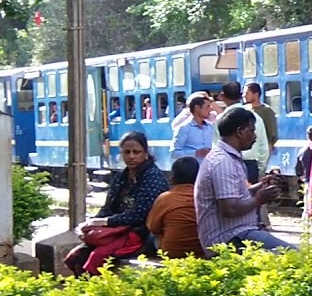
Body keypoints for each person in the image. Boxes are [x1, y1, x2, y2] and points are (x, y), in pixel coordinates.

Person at [65, 132, 169, 276]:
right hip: (117, 229)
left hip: (141, 232)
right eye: (127, 152)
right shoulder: (122, 177)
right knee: (76, 256)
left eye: (136, 152)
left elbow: (140, 214)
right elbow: (109, 207)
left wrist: (105, 222)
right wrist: (92, 224)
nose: (131, 156)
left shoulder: (153, 178)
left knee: (98, 257)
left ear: (145, 154)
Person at [194, 107, 293, 252]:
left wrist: (261, 186)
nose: (254, 136)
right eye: (251, 131)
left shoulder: (228, 157)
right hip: (229, 238)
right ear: (239, 131)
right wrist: (259, 199)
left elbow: (234, 194)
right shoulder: (223, 162)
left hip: (238, 233)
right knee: (291, 255)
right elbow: (230, 208)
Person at [146, 156, 205, 258]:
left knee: (150, 237)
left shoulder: (165, 198)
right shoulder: (205, 197)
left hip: (172, 252)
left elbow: (153, 227)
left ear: (172, 177)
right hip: (201, 251)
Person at [216, 81, 270, 183]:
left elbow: (216, 146)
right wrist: (260, 170)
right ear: (241, 95)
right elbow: (263, 147)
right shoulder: (256, 118)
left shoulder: (221, 119)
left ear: (222, 96)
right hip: (251, 166)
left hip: (227, 165)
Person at [171, 95, 215, 162]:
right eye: (208, 106)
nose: (211, 109)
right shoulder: (183, 128)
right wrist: (195, 153)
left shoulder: (210, 127)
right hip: (192, 169)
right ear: (197, 108)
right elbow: (174, 153)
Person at [245, 82, 278, 159]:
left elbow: (271, 135)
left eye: (247, 93)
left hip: (259, 153)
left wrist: (266, 156)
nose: (244, 96)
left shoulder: (267, 111)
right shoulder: (244, 110)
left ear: (256, 95)